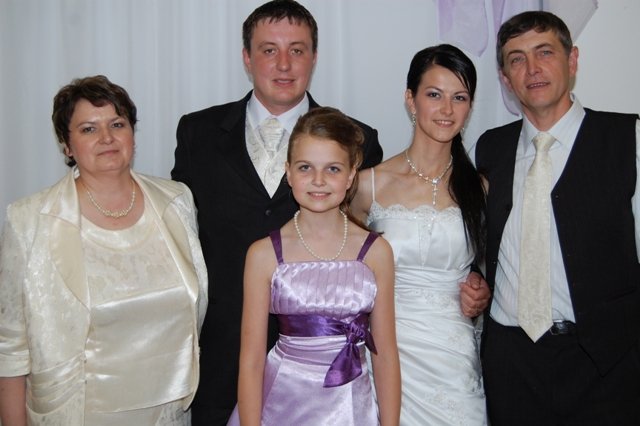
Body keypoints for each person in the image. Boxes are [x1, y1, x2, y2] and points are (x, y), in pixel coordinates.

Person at [170, 1, 384, 424]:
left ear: (314, 57)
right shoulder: (198, 133)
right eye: (269, 50)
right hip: (221, 361)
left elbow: (371, 247)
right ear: (247, 58)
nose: (284, 64)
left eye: (297, 50)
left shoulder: (359, 138)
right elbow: (177, 238)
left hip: (325, 381)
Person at [0, 75, 208, 425]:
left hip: (170, 413)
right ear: (67, 146)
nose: (107, 137)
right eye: (88, 129)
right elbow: (10, 348)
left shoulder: (177, 201)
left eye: (117, 124)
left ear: (132, 134)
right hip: (77, 414)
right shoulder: (28, 220)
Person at [475, 11, 640, 425]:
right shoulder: (490, 149)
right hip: (511, 364)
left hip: (607, 364)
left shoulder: (629, 140)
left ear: (573, 60)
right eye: (516, 59)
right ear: (505, 78)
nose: (532, 68)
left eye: (544, 52)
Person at [228, 107, 400, 426]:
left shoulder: (376, 252)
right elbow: (251, 361)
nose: (318, 180)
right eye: (305, 167)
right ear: (288, 172)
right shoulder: (264, 255)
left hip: (351, 409)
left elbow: (386, 355)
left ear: (351, 176)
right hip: (280, 407)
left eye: (333, 169)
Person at [352, 44, 488, 425]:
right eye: (434, 95)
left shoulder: (480, 188)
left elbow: (490, 267)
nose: (447, 109)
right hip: (386, 350)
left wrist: (482, 287)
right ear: (410, 100)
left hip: (453, 360)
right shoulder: (368, 185)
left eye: (459, 97)